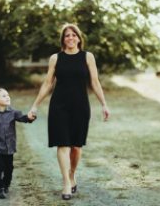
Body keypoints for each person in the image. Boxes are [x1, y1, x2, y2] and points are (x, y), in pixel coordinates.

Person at [28, 23, 109, 200]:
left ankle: (72, 174)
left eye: (73, 35)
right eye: (67, 35)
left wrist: (104, 104)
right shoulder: (55, 58)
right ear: (63, 40)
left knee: (76, 147)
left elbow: (95, 82)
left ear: (79, 38)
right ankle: (66, 182)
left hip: (80, 105)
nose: (70, 38)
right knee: (62, 144)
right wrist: (35, 105)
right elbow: (48, 83)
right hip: (59, 106)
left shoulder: (88, 57)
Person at [0, 88, 36, 199]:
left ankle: (6, 185)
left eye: (8, 95)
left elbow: (23, 118)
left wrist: (30, 118)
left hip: (9, 147)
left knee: (9, 168)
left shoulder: (13, 113)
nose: (8, 97)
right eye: (4, 96)